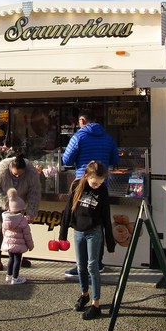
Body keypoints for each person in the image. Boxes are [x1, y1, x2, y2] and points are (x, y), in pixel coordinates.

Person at [61, 110, 119, 276]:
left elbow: (66, 160)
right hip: (102, 185)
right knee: (99, 222)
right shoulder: (108, 138)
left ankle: (82, 265)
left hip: (83, 184)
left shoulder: (79, 137)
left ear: (82, 120)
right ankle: (98, 263)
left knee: (81, 223)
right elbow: (115, 159)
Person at [59, 160, 115, 320]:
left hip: (94, 231)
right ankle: (84, 294)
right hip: (78, 231)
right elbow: (68, 210)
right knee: (80, 266)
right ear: (86, 176)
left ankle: (95, 303)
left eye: (100, 183)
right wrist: (62, 234)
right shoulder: (77, 187)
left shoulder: (103, 192)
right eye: (94, 182)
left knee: (92, 266)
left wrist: (110, 242)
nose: (96, 185)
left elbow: (106, 216)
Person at [0, 153, 41, 271]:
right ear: (10, 168)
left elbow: (34, 192)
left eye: (21, 175)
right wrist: (6, 202)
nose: (18, 177)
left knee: (19, 229)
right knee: (1, 225)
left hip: (19, 201)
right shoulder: (1, 170)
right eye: (15, 174)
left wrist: (31, 211)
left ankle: (17, 256)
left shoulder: (31, 172)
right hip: (2, 197)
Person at [1, 187, 34, 285]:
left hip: (9, 244)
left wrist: (6, 241)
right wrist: (30, 246)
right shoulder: (22, 221)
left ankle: (9, 275)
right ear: (21, 210)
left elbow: (3, 231)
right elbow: (27, 235)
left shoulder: (6, 219)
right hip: (19, 246)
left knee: (11, 259)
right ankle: (15, 278)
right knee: (17, 261)